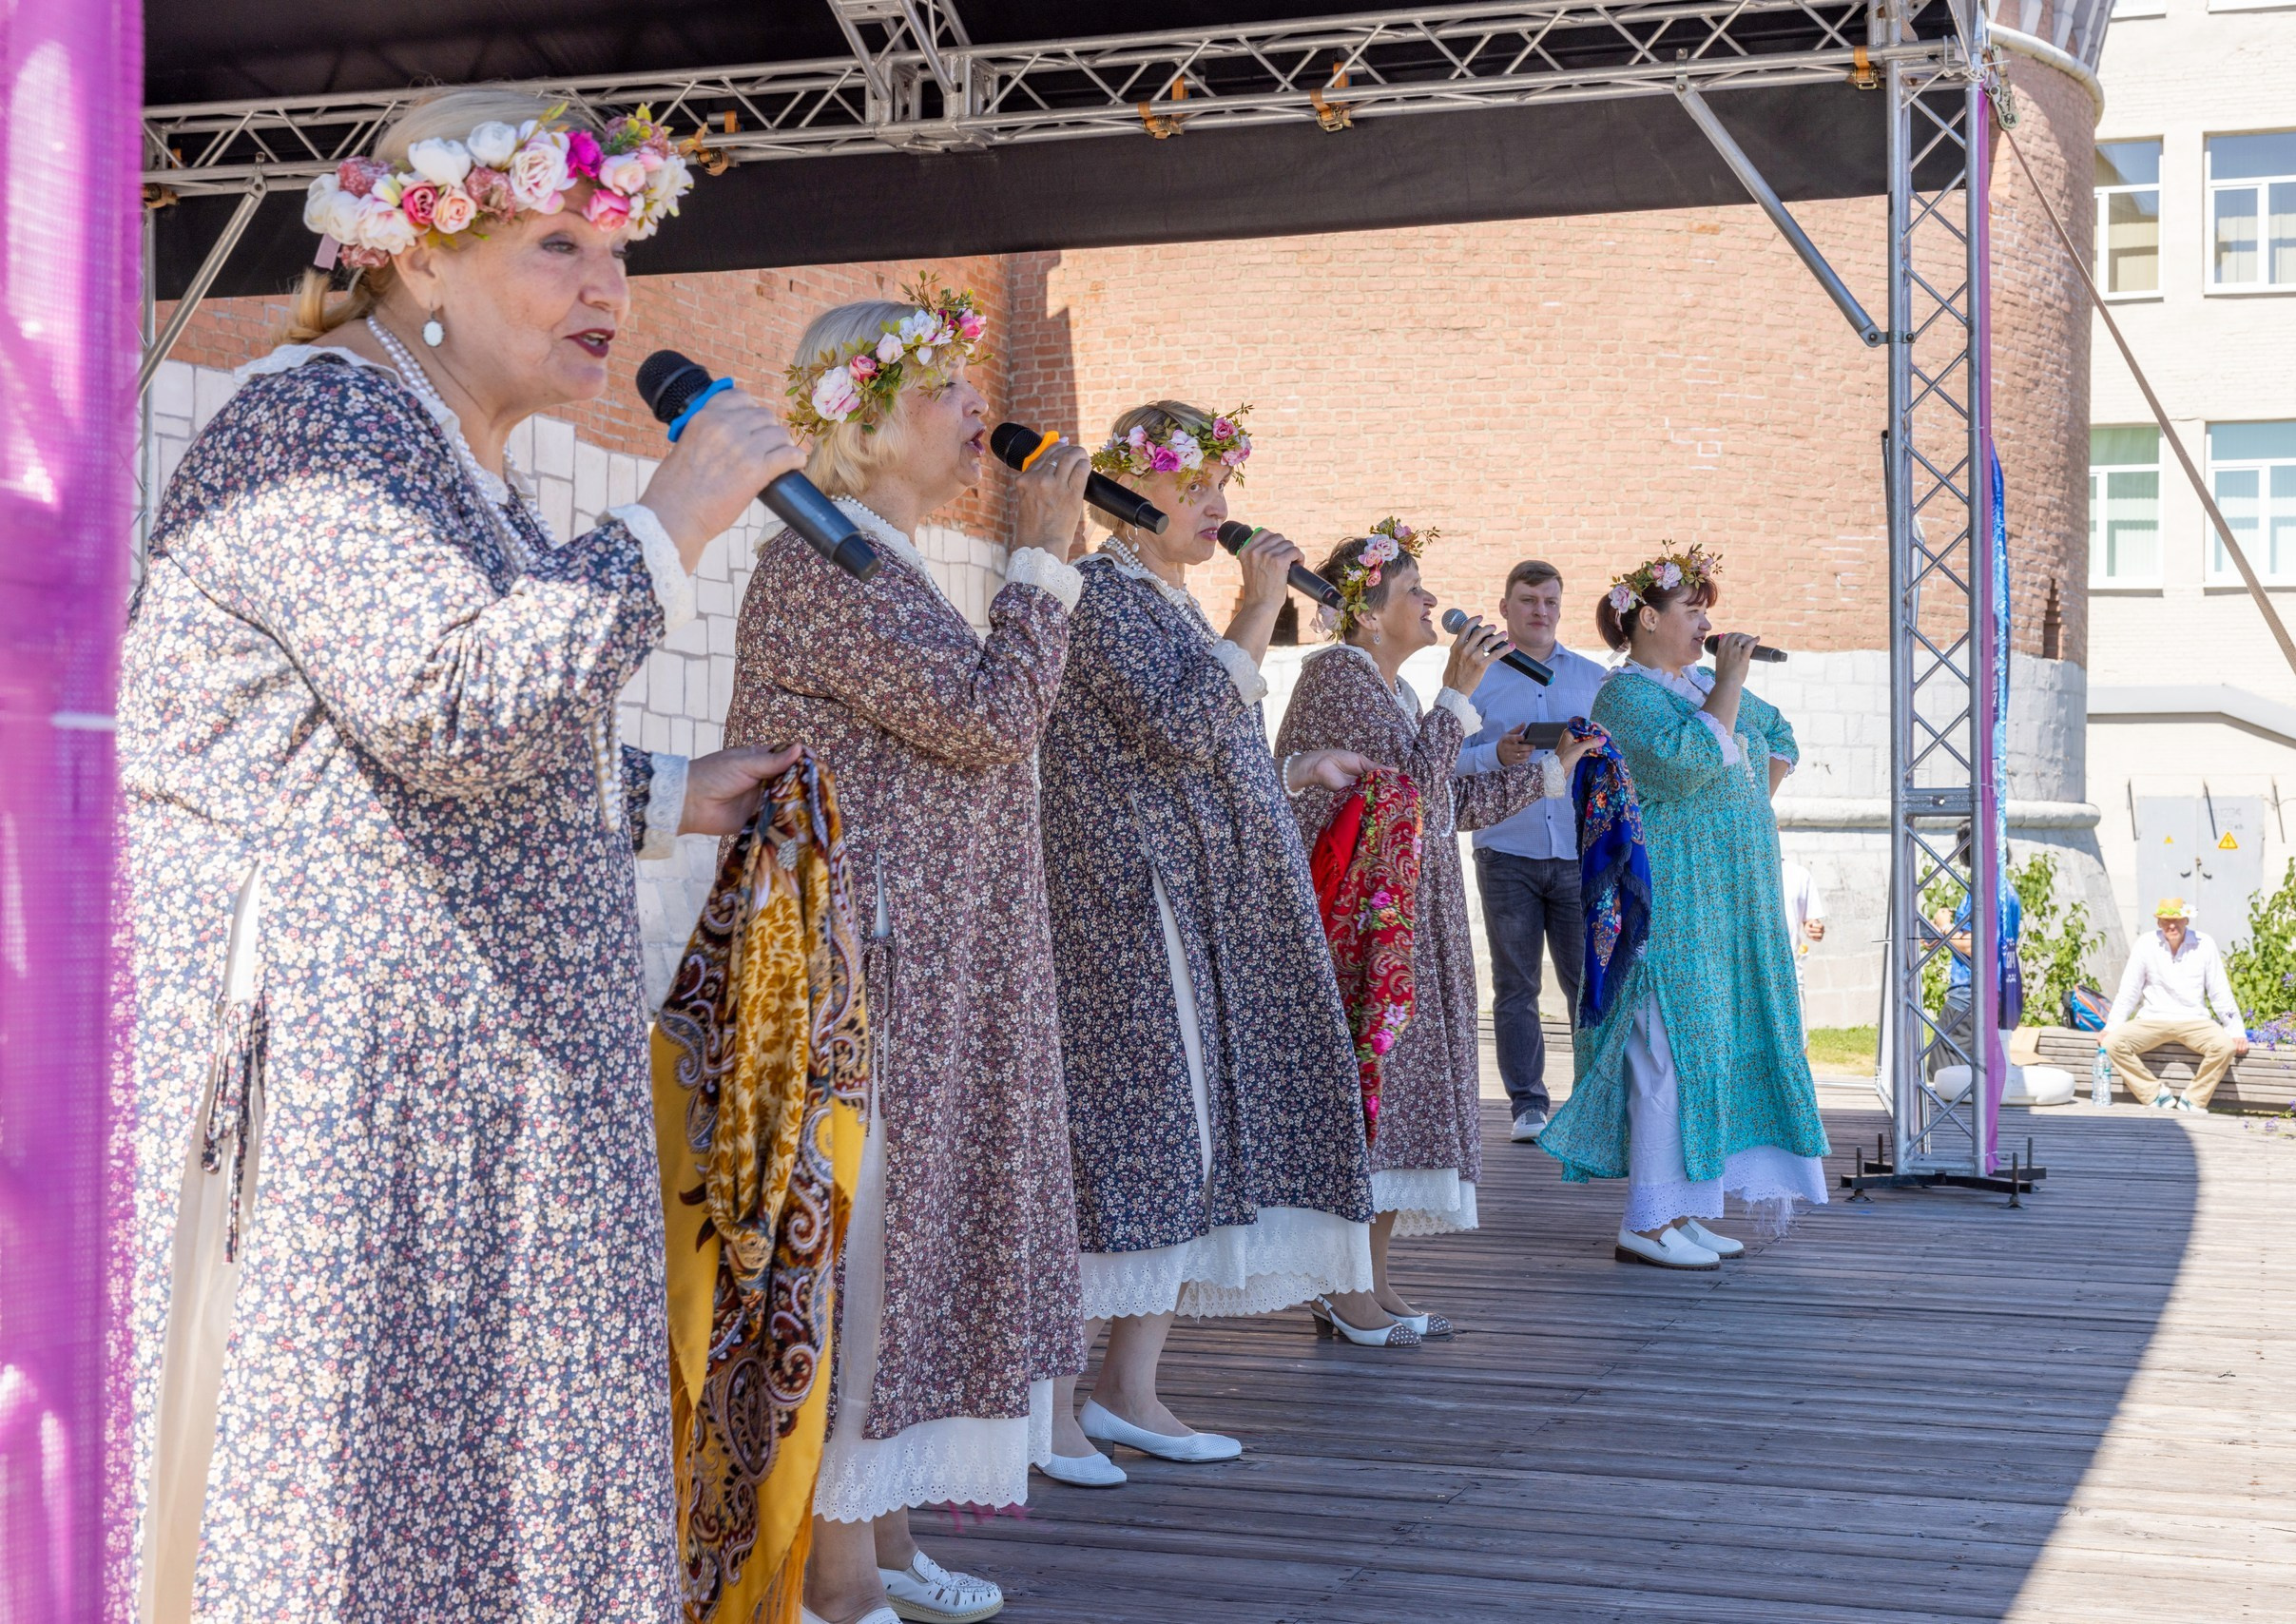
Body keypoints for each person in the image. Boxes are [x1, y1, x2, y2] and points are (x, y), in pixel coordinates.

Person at [119, 88, 808, 1622]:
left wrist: (665, 791)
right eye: (560, 244)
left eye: (619, 252)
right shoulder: (318, 427)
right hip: (352, 1099)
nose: (607, 288)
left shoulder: (457, 458)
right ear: (418, 258)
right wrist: (669, 519)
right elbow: (446, 705)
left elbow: (399, 754)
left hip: (471, 1088)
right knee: (368, 1497)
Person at [723, 285, 1093, 1624]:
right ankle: (827, 1577)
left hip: (935, 971)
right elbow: (989, 720)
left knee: (916, 1250)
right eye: (947, 390)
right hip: (860, 975)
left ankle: (880, 1538)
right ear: (866, 422)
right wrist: (1041, 562)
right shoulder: (823, 565)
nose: (978, 410)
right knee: (867, 1258)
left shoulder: (888, 560)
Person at [1037, 400, 1379, 1486]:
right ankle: (1047, 1408)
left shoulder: (1171, 607)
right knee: (1126, 1141)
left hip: (1199, 900)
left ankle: (1127, 1390)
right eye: (1194, 487)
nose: (1217, 507)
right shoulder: (1097, 596)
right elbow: (1179, 729)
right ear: (1130, 493)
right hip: (1127, 909)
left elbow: (1201, 748)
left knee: (1188, 1140)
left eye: (1222, 486)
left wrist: (1285, 772)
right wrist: (1258, 608)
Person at [1273, 519, 1594, 1340]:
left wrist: (1548, 770)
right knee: (1369, 1096)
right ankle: (1341, 1287)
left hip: (1414, 920)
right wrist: (1458, 694)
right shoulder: (1337, 678)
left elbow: (1441, 806)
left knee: (1402, 1101)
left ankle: (1372, 1282)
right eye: (1414, 590)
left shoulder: (1398, 693)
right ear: (1366, 610)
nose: (1431, 602)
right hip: (1364, 934)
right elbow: (1405, 798)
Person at [1538, 548, 1831, 1269]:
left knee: (1713, 1049)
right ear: (1647, 618)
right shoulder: (1624, 697)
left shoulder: (1698, 684)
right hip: (1669, 899)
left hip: (1729, 899)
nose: (1706, 626)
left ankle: (1685, 1210)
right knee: (1665, 1053)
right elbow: (1686, 761)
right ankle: (1646, 1220)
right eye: (1692, 611)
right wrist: (1728, 685)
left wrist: (1739, 809)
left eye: (1707, 612)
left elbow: (1780, 735)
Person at [1454, 560, 1612, 1143]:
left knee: (1584, 983)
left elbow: (1617, 762)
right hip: (1505, 850)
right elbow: (1446, 759)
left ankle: (1592, 1104)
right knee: (1515, 985)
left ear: (1561, 608)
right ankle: (1527, 1107)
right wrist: (1497, 753)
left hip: (1577, 852)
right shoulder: (1478, 681)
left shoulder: (1596, 680)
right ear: (1505, 608)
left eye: (1549, 601)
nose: (1539, 611)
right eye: (1527, 600)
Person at [2104, 898, 2251, 1112]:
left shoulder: (2204, 943)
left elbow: (2219, 991)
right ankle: (2155, 1094)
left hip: (2195, 1020)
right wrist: (2111, 1026)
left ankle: (2193, 1099)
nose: (2171, 926)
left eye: (2177, 920)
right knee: (2112, 1043)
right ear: (2158, 922)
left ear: (2186, 920)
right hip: (2152, 1018)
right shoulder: (2145, 943)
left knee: (2225, 1046)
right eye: (2165, 921)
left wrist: (2236, 1029)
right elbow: (2129, 990)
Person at [1930, 820, 2022, 1076]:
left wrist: (1945, 927)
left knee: (1945, 1075)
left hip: (1968, 998)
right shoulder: (2008, 891)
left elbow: (1975, 947)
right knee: (1979, 1077)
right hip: (1998, 995)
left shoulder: (1981, 892)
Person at [1782, 858, 1827, 1032]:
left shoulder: (1799, 874)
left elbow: (1810, 920)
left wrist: (1813, 927)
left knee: (1797, 1038)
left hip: (1791, 974)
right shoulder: (1740, 869)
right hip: (1748, 974)